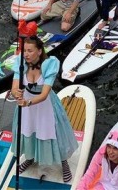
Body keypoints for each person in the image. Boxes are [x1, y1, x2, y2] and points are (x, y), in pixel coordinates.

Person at [11, 36, 78, 183]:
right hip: (26, 106)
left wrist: (27, 103)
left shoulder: (50, 64)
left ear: (39, 51)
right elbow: (14, 86)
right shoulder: (20, 63)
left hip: (44, 106)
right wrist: (16, 93)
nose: (26, 54)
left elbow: (44, 94)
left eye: (30, 51)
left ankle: (64, 163)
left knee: (55, 134)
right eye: (24, 51)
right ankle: (30, 158)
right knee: (27, 132)